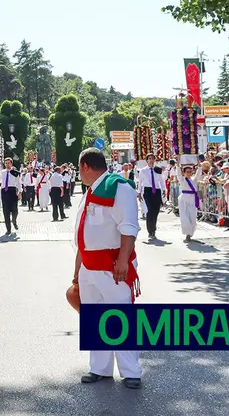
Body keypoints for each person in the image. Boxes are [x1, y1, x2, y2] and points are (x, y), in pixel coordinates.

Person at [73, 148, 142, 389]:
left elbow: (129, 227)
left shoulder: (119, 187)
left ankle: (131, 371)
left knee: (120, 317)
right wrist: (77, 271)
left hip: (113, 267)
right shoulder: (90, 191)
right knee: (94, 318)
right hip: (89, 267)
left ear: (85, 167)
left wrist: (123, 261)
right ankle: (99, 368)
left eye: (79, 169)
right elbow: (83, 234)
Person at [139, 155, 165, 240]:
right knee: (150, 211)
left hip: (156, 191)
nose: (151, 160)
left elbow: (161, 180)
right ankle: (150, 231)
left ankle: (153, 229)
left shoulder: (158, 170)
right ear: (146, 160)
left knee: (156, 211)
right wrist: (139, 193)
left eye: (153, 159)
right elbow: (140, 182)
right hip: (148, 191)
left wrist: (164, 190)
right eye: (149, 159)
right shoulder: (143, 171)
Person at [0, 158, 21, 235]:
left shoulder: (15, 172)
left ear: (11, 163)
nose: (7, 164)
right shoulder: (2, 172)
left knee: (15, 210)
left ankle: (14, 220)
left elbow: (18, 183)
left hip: (13, 191)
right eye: (6, 163)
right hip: (4, 192)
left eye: (8, 163)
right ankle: (8, 229)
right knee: (6, 211)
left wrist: (20, 193)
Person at [178, 165, 200, 242]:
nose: (189, 173)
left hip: (192, 199)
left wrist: (199, 166)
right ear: (184, 173)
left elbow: (198, 174)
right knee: (185, 217)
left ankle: (191, 232)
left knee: (193, 218)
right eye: (187, 172)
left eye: (190, 172)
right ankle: (187, 234)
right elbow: (178, 174)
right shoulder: (182, 180)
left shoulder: (194, 180)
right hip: (183, 200)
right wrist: (178, 165)